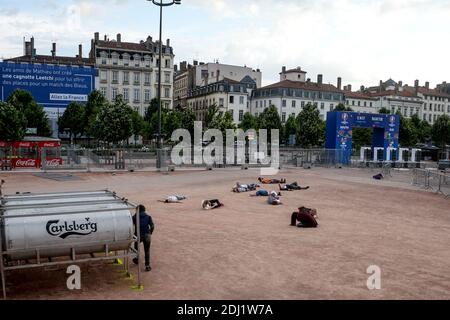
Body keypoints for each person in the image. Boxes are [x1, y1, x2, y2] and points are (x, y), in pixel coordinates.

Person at [132, 205, 154, 271]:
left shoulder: (135, 217)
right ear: (144, 210)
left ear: (137, 210)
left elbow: (131, 223)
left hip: (138, 235)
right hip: (147, 235)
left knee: (136, 246)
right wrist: (150, 233)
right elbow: (152, 226)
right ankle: (147, 265)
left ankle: (137, 258)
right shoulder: (148, 217)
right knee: (147, 250)